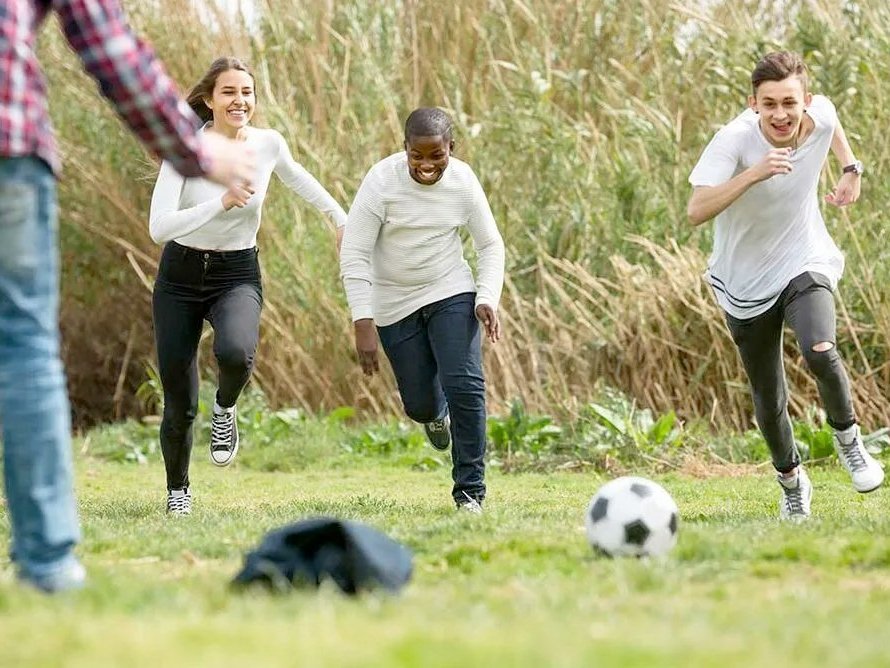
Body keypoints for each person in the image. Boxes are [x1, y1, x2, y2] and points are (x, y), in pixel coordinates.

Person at [0, 1, 254, 592]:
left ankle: (219, 422)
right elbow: (107, 43)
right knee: (22, 348)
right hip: (9, 148)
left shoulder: (270, 145)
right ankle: (47, 566)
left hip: (233, 272)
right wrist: (197, 153)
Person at [687, 51, 884, 520]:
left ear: (805, 101)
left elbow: (833, 123)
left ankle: (850, 443)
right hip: (744, 280)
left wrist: (851, 168)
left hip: (803, 257)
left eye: (789, 103)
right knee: (768, 394)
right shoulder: (733, 140)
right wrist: (754, 173)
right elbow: (696, 210)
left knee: (820, 349)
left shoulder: (820, 113)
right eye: (769, 104)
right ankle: (792, 480)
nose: (781, 114)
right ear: (753, 103)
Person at [148, 57, 348, 516]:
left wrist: (339, 218)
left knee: (237, 352)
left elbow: (300, 179)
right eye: (229, 92)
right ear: (208, 100)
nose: (240, 101)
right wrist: (219, 203)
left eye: (247, 92)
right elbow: (159, 227)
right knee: (178, 396)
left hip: (236, 271)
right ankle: (178, 491)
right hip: (179, 276)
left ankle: (225, 409)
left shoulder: (267, 144)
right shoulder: (187, 152)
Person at [340, 107, 505, 514]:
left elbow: (490, 245)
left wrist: (486, 296)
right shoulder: (382, 181)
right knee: (419, 404)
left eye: (437, 155)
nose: (427, 165)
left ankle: (470, 492)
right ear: (405, 149)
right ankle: (434, 415)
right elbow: (355, 251)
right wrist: (363, 319)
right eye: (418, 155)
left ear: (452, 148)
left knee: (465, 385)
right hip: (394, 302)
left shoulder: (464, 182)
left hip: (450, 289)